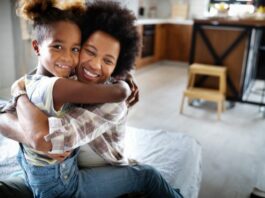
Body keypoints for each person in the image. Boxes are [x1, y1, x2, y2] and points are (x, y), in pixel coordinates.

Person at [0, 1, 183, 198]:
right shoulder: (63, 76)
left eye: (107, 60)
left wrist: (20, 91)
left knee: (147, 175)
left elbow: (47, 138)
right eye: (89, 51)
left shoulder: (110, 101)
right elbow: (5, 115)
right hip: (54, 173)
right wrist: (20, 95)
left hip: (89, 172)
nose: (95, 65)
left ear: (117, 66)